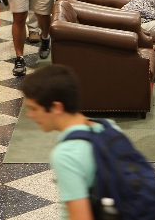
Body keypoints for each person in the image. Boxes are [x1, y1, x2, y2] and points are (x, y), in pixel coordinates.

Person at [21, 64, 122, 220]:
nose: (30, 115)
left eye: (34, 108)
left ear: (56, 107)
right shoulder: (109, 127)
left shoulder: (66, 155)